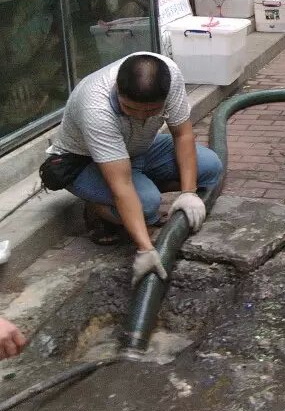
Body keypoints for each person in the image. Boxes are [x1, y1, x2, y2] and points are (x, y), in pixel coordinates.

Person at [48, 52, 223, 286]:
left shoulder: (169, 75)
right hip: (83, 163)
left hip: (138, 150)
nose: (140, 116)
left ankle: (142, 189)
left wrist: (189, 193)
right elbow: (121, 185)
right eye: (130, 108)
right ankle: (96, 207)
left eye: (151, 111)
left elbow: (182, 135)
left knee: (211, 167)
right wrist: (145, 248)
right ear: (117, 90)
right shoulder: (95, 107)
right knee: (146, 206)